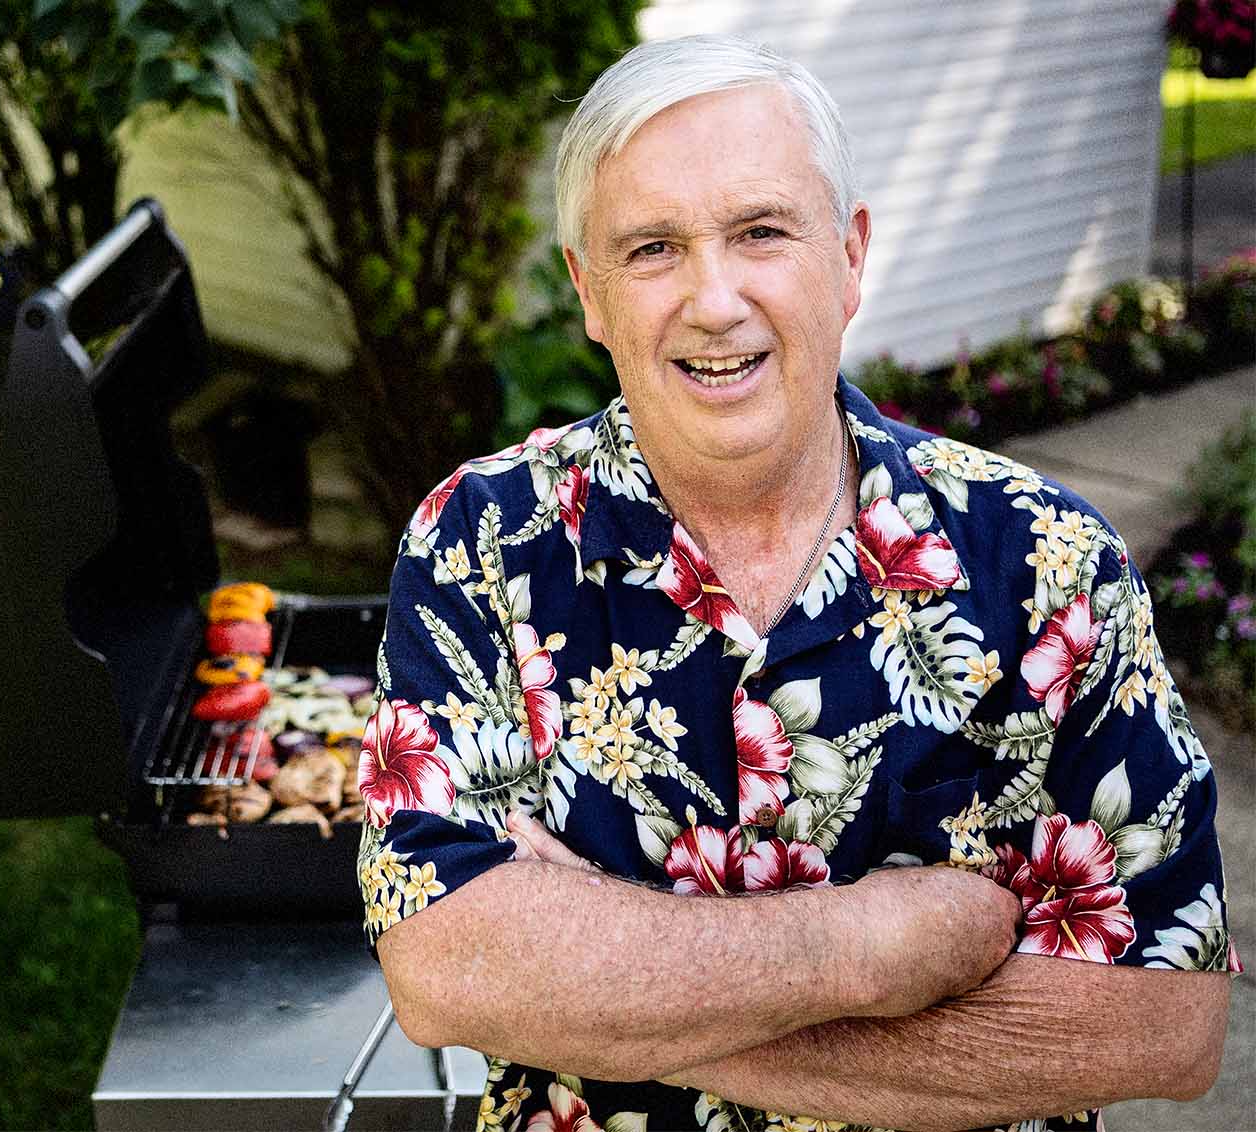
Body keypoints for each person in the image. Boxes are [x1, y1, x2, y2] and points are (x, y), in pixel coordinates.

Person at [355, 34, 1238, 1132]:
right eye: (652, 248)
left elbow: (1160, 1024)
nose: (713, 298)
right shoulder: (482, 541)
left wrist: (590, 979)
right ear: (589, 291)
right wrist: (872, 947)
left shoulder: (1048, 565)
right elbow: (444, 969)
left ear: (850, 255)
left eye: (760, 231)